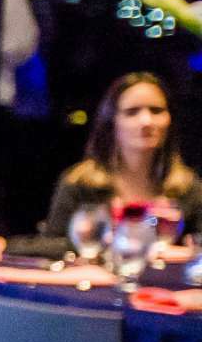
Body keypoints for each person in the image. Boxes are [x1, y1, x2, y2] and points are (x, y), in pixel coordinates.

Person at [38, 70, 202, 239]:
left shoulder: (189, 187)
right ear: (111, 122)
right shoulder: (79, 183)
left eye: (156, 110)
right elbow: (51, 244)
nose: (146, 121)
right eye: (132, 112)